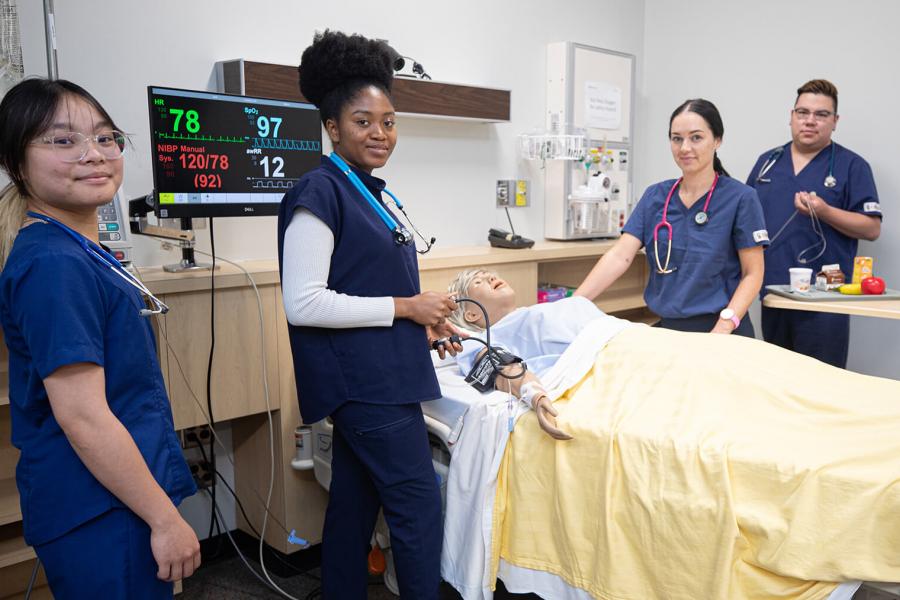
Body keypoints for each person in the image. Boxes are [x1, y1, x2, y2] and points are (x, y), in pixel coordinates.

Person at [276, 30, 460, 599]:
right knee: (417, 508)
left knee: (355, 505)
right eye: (363, 121)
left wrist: (422, 320)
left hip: (382, 374)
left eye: (389, 121)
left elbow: (365, 282)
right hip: (365, 386)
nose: (380, 133)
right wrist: (406, 306)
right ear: (332, 127)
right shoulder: (319, 191)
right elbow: (304, 301)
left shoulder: (370, 192)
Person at [0, 79, 199, 598]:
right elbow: (83, 416)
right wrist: (165, 520)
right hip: (99, 507)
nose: (94, 155)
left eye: (106, 138)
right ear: (17, 165)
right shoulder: (53, 265)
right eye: (63, 141)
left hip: (111, 495)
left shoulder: (77, 250)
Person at [575, 99, 768, 337]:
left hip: (723, 332)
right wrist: (574, 304)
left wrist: (724, 327)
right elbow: (619, 256)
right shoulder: (656, 196)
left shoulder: (741, 198)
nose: (685, 147)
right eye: (677, 138)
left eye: (696, 137)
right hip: (670, 330)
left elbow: (753, 273)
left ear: (717, 140)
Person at [747, 79, 882, 368]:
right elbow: (744, 224)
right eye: (802, 113)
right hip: (774, 296)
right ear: (791, 116)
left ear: (835, 121)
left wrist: (824, 211)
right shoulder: (767, 163)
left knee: (821, 383)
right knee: (776, 380)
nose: (810, 121)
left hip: (825, 301)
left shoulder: (852, 166)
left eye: (821, 115)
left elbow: (871, 228)